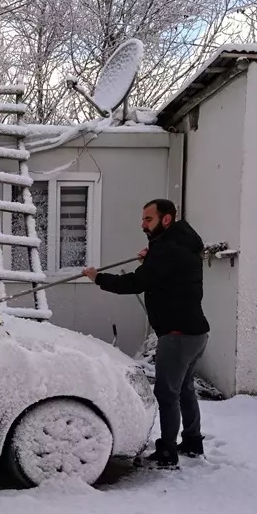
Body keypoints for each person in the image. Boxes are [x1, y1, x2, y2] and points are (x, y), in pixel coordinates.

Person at [82, 199, 210, 469]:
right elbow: (164, 271)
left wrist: (98, 278)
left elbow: (136, 282)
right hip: (196, 333)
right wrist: (151, 257)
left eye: (148, 220)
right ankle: (192, 441)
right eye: (142, 219)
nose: (142, 225)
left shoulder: (168, 250)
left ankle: (167, 451)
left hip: (177, 335)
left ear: (166, 220)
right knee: (184, 389)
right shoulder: (182, 242)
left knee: (167, 394)